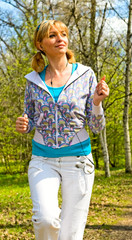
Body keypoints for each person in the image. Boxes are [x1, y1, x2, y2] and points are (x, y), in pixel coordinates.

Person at [16, 19, 109, 240]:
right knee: (45, 220)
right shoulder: (32, 81)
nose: (60, 39)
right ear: (40, 45)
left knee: (70, 233)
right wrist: (24, 125)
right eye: (52, 35)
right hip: (42, 159)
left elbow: (96, 127)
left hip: (78, 161)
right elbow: (28, 120)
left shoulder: (85, 75)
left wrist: (96, 103)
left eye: (64, 34)